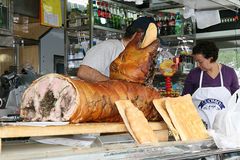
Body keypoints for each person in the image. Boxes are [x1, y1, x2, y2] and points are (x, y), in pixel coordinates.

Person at [77, 16, 157, 82]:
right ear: (137, 35)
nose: (149, 45)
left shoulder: (134, 57)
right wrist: (116, 85)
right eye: (149, 40)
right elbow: (84, 72)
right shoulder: (110, 47)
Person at [182, 41, 239, 129]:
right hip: (199, 127)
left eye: (200, 62)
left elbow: (237, 101)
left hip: (224, 128)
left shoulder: (229, 73)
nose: (198, 65)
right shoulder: (193, 74)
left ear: (211, 58)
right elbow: (184, 101)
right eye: (196, 61)